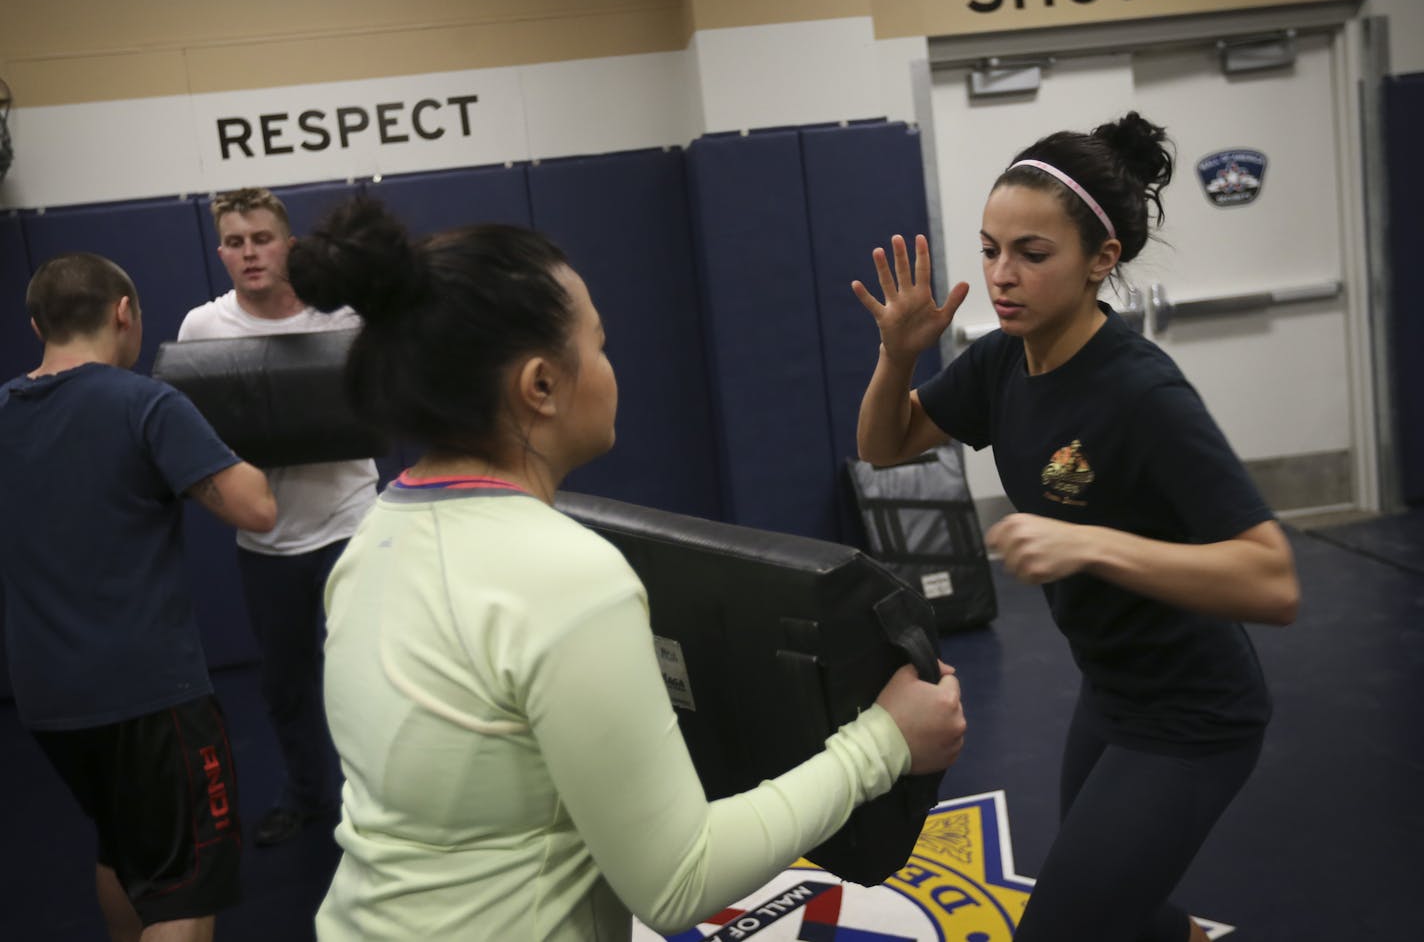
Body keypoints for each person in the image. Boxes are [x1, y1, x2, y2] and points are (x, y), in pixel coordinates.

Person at [282, 197, 968, 940]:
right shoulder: (565, 575)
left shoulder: (376, 534)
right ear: (540, 385)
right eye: (599, 345)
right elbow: (677, 882)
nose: (611, 368)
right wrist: (886, 741)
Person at [852, 112, 1300, 942]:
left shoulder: (1141, 394)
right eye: (989, 250)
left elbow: (1272, 581)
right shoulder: (1002, 361)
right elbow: (883, 447)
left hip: (1194, 715)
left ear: (1103, 260)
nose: (1002, 277)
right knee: (1115, 908)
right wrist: (898, 354)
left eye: (1032, 253)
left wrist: (1087, 543)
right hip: (1112, 691)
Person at [0, 253, 277, 941]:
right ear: (125, 312)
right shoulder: (144, 402)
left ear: (38, 324)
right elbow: (257, 509)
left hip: (47, 699)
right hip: (150, 695)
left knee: (121, 848)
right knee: (181, 892)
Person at [178, 187, 378, 846]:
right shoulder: (202, 329)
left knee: (369, 674)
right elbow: (196, 442)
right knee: (285, 683)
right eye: (235, 243)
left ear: (287, 245)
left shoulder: (344, 318)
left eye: (261, 239)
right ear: (220, 253)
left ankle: (381, 797)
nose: (250, 253)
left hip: (352, 519)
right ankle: (306, 795)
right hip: (267, 540)